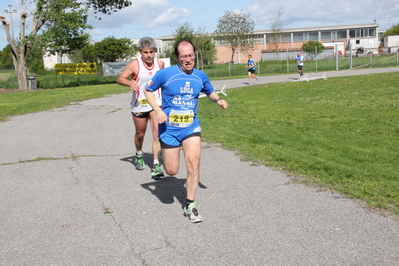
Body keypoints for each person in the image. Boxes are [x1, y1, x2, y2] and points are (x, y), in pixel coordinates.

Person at [144, 40, 228, 223]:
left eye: (190, 55)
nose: (188, 60)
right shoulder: (166, 74)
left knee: (193, 164)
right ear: (177, 57)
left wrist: (218, 100)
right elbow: (148, 89)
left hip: (191, 127)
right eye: (184, 56)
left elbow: (210, 91)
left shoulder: (200, 76)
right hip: (169, 130)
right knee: (172, 171)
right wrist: (158, 111)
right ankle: (166, 156)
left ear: (194, 55)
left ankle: (190, 204)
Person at [117, 37, 165, 179]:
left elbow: (163, 80)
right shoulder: (134, 65)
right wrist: (129, 83)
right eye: (145, 52)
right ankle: (139, 154)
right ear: (140, 52)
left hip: (155, 104)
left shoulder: (160, 64)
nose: (149, 55)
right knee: (140, 134)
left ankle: (156, 164)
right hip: (139, 105)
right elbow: (120, 79)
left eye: (151, 52)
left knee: (157, 133)